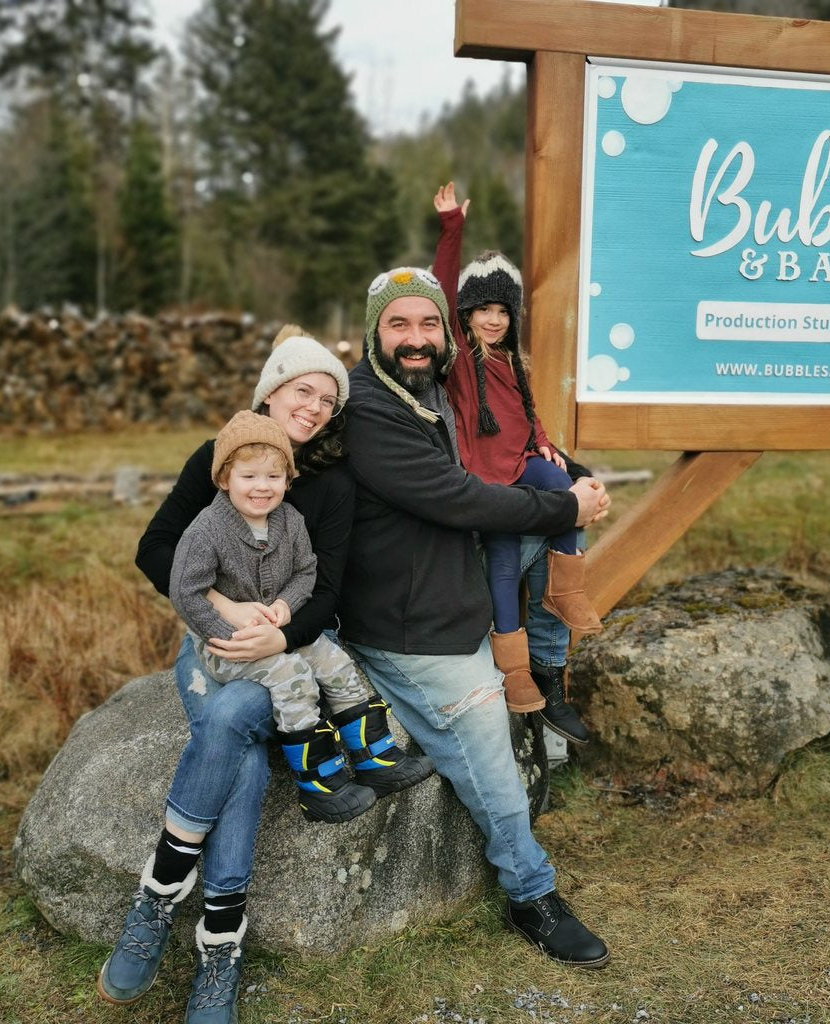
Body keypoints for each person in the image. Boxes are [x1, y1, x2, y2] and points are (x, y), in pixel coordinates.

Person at [97, 327, 432, 1023]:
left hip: (292, 646)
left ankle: (161, 894)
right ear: (271, 389)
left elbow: (327, 591)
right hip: (214, 640)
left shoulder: (331, 488)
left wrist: (278, 629)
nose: (312, 407)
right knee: (238, 739)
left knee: (228, 724)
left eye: (326, 399)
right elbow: (155, 547)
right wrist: (226, 615)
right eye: (301, 390)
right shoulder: (216, 461)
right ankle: (220, 938)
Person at [338, 263, 613, 968]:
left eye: (428, 322)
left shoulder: (436, 392)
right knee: (487, 734)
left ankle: (545, 672)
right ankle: (531, 890)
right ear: (374, 331)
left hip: (452, 595)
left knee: (534, 547)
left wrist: (571, 475)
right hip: (411, 627)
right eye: (399, 323)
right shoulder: (371, 408)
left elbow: (511, 452)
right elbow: (456, 497)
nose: (416, 337)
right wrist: (565, 507)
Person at [170, 408, 417, 824]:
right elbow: (184, 591)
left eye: (273, 476)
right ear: (224, 478)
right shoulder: (206, 530)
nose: (261, 488)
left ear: (288, 478)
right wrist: (226, 632)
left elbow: (306, 571)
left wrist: (286, 603)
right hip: (227, 646)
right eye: (249, 477)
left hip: (278, 626)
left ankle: (375, 758)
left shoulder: (290, 520)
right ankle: (318, 783)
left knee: (334, 661)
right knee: (292, 677)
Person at [432, 182, 596, 744]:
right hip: (487, 483)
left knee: (564, 493)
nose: (493, 320)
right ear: (466, 315)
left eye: (503, 310)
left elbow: (528, 418)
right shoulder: (458, 358)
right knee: (503, 564)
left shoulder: (512, 361)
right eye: (483, 310)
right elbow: (441, 288)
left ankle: (567, 588)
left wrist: (548, 446)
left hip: (525, 466)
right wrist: (452, 228)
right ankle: (516, 669)